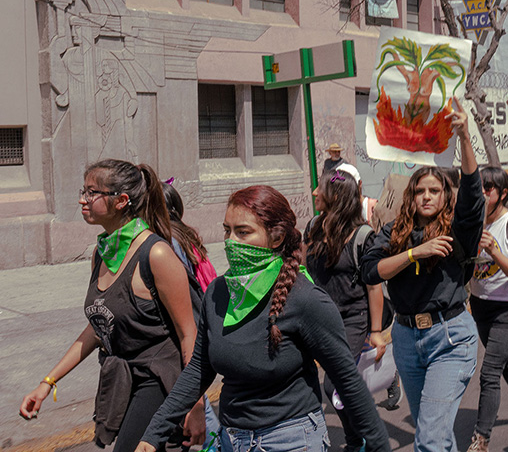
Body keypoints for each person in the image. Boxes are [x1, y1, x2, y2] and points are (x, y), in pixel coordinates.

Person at [136, 185, 390, 452]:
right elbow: (199, 370)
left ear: (276, 238)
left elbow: (347, 381)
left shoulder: (305, 299)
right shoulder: (218, 292)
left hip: (292, 440)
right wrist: (153, 435)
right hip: (232, 440)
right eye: (227, 230)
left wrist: (377, 446)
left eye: (243, 232)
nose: (231, 241)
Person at [20, 160, 204, 452]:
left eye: (92, 192)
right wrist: (47, 382)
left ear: (120, 201)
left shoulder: (155, 254)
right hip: (123, 380)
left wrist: (196, 405)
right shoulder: (102, 253)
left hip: (159, 379)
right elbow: (99, 327)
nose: (83, 199)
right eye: (84, 190)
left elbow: (187, 334)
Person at [359, 98, 484, 452]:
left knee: (429, 438)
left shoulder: (459, 230)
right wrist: (415, 252)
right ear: (410, 197)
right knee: (435, 436)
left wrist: (464, 138)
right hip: (406, 338)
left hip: (451, 338)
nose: (426, 196)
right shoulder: (394, 232)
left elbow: (473, 198)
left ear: (445, 196)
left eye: (434, 190)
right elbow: (370, 270)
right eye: (419, 191)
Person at [303, 168, 389, 452]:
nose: (315, 193)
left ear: (336, 196)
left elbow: (374, 287)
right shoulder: (313, 227)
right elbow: (305, 270)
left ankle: (358, 439)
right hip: (322, 317)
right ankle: (357, 438)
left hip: (353, 318)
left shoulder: (362, 235)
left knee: (334, 385)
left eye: (321, 189)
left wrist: (375, 332)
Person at [465, 166, 508, 452]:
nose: (482, 192)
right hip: (481, 305)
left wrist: (494, 251)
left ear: (502, 193)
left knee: (490, 370)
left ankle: (481, 440)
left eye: (488, 188)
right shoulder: (471, 222)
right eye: (478, 186)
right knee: (505, 361)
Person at [162, 181, 220, 451]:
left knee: (194, 405)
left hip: (187, 330)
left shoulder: (168, 243)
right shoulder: (186, 235)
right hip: (199, 324)